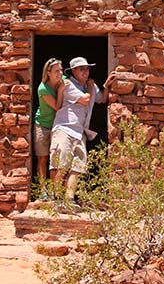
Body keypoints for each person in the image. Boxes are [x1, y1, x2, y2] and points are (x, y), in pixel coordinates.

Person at [49, 57, 117, 210]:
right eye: (82, 69)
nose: (86, 72)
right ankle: (57, 199)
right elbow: (86, 99)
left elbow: (102, 99)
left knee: (78, 167)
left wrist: (106, 85)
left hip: (80, 132)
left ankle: (70, 200)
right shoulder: (68, 85)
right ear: (73, 71)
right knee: (61, 165)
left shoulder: (89, 86)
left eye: (87, 69)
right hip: (64, 129)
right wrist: (91, 87)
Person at [33, 58, 65, 200]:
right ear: (48, 73)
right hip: (43, 125)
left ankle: (56, 191)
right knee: (42, 158)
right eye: (56, 70)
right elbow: (57, 107)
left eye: (61, 69)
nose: (60, 73)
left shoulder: (63, 80)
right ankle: (43, 190)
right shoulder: (43, 88)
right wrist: (61, 90)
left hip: (57, 126)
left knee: (56, 159)